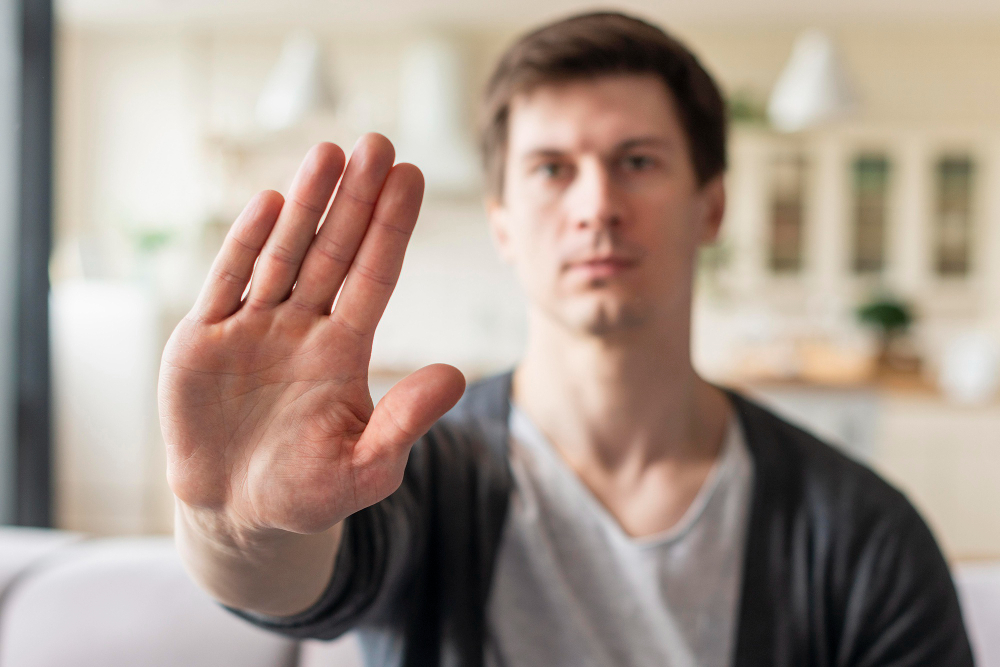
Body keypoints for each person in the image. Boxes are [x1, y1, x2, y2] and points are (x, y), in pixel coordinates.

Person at [159, 11, 974, 667]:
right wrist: (238, 521)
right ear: (502, 222)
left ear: (711, 205)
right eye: (552, 168)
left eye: (639, 160)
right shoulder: (418, 472)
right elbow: (294, 580)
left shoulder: (863, 531)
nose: (596, 205)